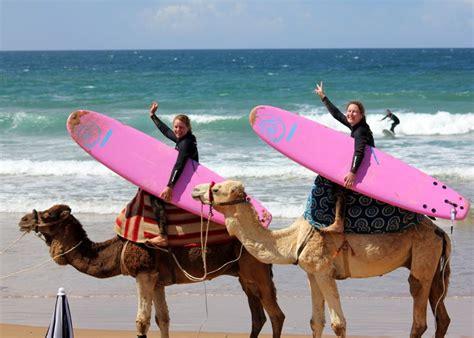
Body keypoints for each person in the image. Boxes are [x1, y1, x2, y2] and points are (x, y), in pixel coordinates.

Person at [313, 81, 375, 233]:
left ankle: (338, 223)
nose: (350, 114)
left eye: (355, 112)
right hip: (365, 164)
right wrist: (323, 97)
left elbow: (359, 152)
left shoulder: (360, 131)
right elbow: (337, 115)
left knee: (341, 187)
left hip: (364, 167)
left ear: (361, 115)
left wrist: (353, 172)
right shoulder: (355, 125)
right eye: (349, 111)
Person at [147, 101, 199, 246]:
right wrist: (153, 116)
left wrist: (170, 186)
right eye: (176, 126)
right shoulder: (183, 139)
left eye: (181, 127)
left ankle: (163, 235)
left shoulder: (186, 143)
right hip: (187, 175)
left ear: (188, 128)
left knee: (155, 196)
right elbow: (167, 132)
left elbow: (180, 164)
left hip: (187, 180)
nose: (177, 130)